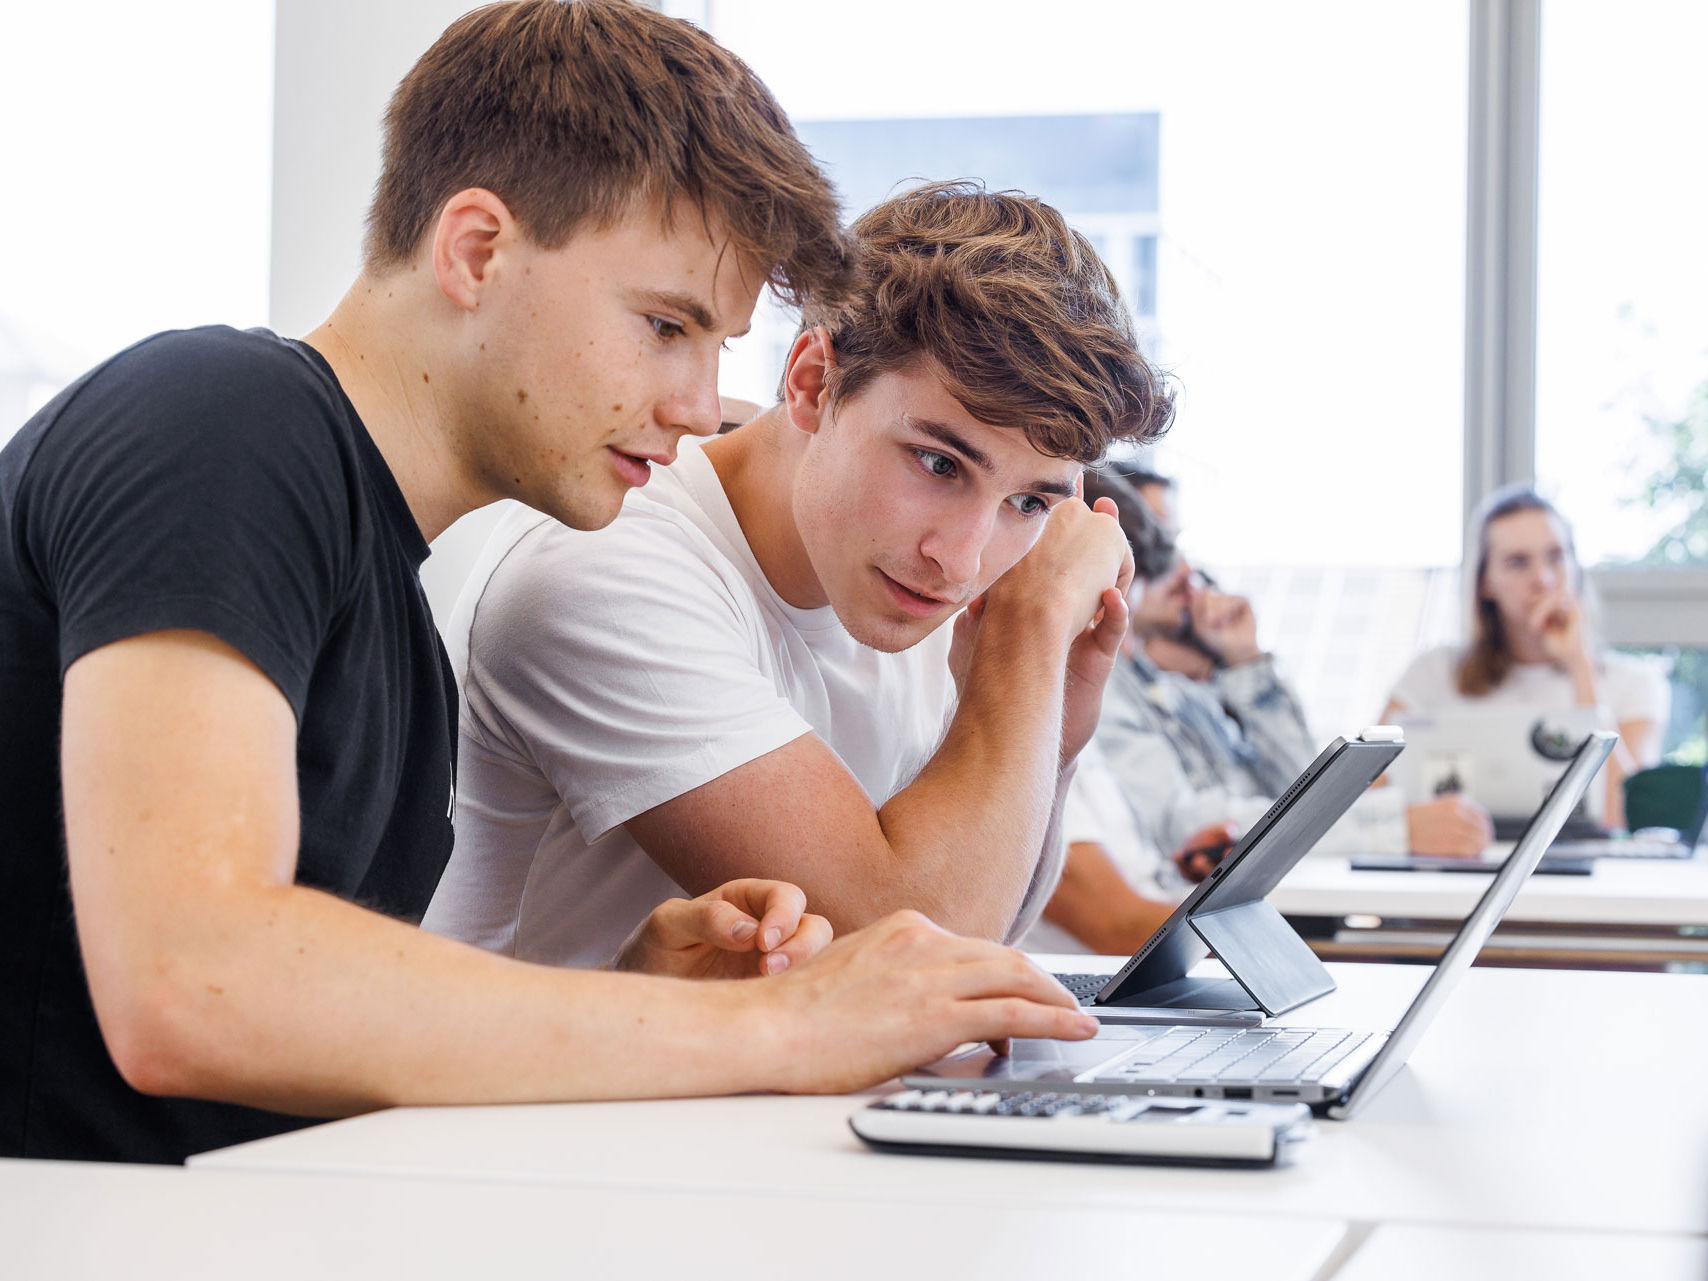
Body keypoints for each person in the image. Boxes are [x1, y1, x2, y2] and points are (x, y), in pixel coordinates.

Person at [0, 0, 1098, 1167]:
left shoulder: (388, 606)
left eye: (714, 346)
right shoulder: (219, 420)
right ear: (477, 250)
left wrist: (650, 997)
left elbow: (307, 1047)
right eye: (666, 324)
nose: (694, 401)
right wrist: (772, 1025)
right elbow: (196, 983)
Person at [423, 182, 1172, 967]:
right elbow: (910, 960)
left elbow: (987, 923)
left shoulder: (910, 569)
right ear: (813, 381)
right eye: (937, 463)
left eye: (1028, 501)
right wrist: (1028, 639)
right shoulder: (603, 566)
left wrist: (1053, 732)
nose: (962, 558)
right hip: (540, 1089)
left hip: (746, 1082)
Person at [1383, 486, 1669, 829]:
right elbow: (1361, 801)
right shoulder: (1432, 675)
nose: (1543, 580)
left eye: (1556, 557)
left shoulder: (1633, 683)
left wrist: (1580, 667)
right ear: (1485, 582)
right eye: (1517, 563)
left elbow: (1622, 815)